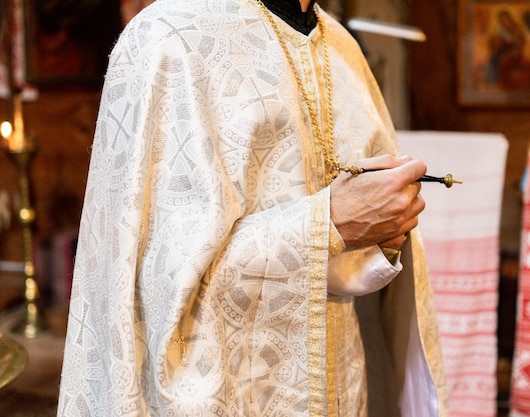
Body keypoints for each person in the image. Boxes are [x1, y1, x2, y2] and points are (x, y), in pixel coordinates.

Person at [57, 0, 448, 415]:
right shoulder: (169, 37)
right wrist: (328, 223)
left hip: (340, 384)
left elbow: (362, 259)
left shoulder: (343, 48)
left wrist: (384, 228)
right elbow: (146, 288)